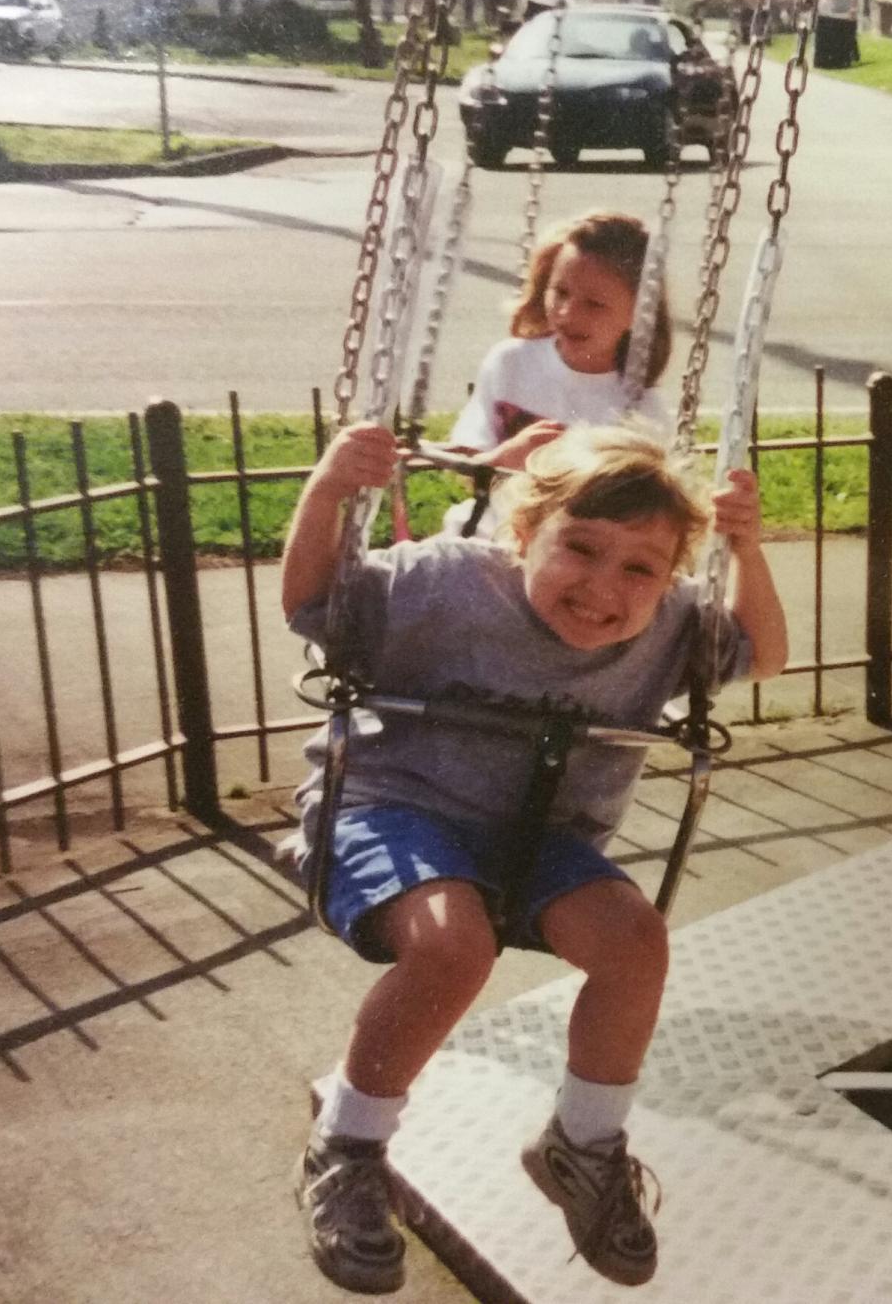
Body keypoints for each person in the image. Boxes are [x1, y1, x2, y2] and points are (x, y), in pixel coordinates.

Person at [281, 422, 786, 1293]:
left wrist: (745, 549)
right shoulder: (441, 583)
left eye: (640, 568)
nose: (603, 588)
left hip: (541, 838)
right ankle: (349, 1148)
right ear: (521, 535)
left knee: (636, 941)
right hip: (395, 806)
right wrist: (329, 487)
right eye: (579, 550)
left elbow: (765, 653)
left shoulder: (669, 627)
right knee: (453, 946)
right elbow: (313, 602)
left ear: (669, 579)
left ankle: (582, 1145)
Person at [441, 211, 676, 536]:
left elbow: (643, 520)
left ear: (639, 314)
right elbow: (466, 458)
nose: (568, 313)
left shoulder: (643, 411)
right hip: (487, 537)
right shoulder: (511, 362)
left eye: (594, 304)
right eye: (560, 292)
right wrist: (501, 460)